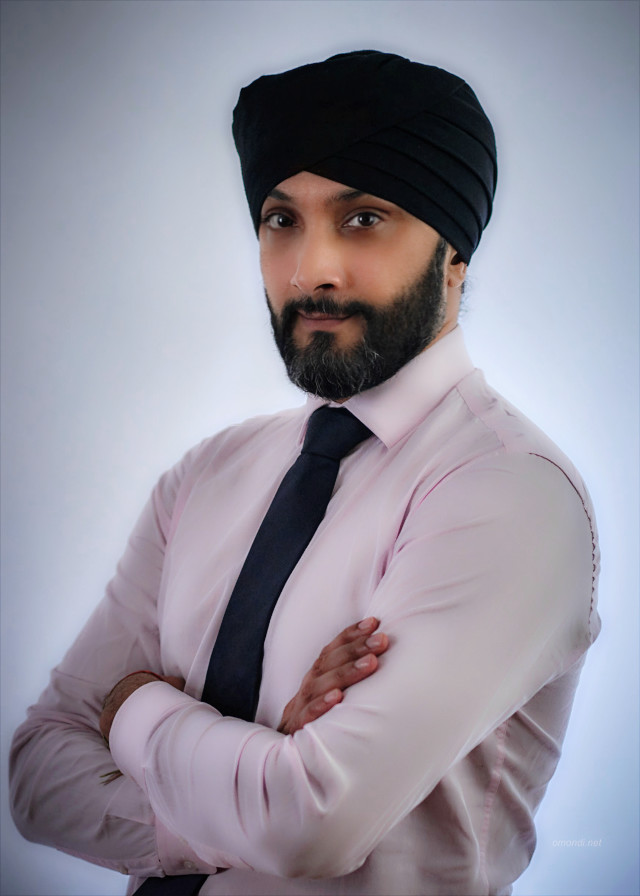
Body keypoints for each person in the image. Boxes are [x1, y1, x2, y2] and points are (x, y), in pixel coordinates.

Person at [10, 50, 600, 896]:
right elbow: (36, 775)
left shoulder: (508, 491)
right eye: (282, 219)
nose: (309, 269)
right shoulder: (207, 475)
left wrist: (133, 706)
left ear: (454, 256)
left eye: (363, 218)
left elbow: (306, 822)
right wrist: (241, 790)